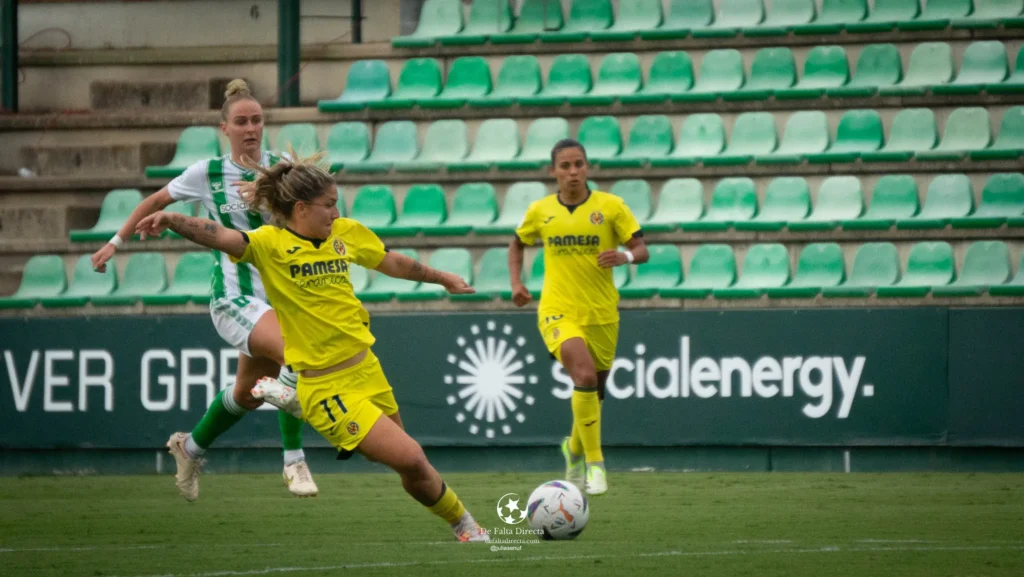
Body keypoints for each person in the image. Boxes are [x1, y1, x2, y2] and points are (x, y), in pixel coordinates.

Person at [134, 153, 491, 543]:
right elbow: (218, 235)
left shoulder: (345, 234)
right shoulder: (270, 244)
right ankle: (467, 526)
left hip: (366, 370)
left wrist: (443, 278)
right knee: (412, 457)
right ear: (301, 208)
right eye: (329, 204)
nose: (336, 212)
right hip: (328, 389)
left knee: (412, 467)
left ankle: (461, 524)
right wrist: (173, 219)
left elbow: (392, 262)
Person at [90, 79, 317, 501]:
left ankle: (189, 448)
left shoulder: (281, 167)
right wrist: (115, 243)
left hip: (280, 297)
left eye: (257, 120)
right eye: (241, 122)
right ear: (224, 128)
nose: (251, 129)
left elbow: (308, 213)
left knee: (247, 395)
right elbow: (154, 202)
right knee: (295, 353)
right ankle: (294, 461)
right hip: (234, 298)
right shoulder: (206, 173)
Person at [508, 139, 649, 496]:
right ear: (553, 171)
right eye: (565, 166)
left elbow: (641, 249)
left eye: (579, 164)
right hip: (557, 309)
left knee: (594, 392)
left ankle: (572, 450)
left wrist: (625, 257)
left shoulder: (611, 207)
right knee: (583, 375)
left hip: (601, 312)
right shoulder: (540, 211)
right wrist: (516, 283)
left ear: (587, 167)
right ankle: (595, 464)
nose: (573, 172)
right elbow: (517, 243)